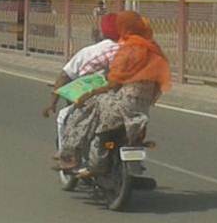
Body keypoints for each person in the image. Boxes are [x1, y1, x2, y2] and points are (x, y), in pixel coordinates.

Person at [57, 11, 171, 173]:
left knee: (85, 107)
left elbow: (113, 84)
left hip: (122, 106)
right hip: (142, 108)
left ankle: (70, 155)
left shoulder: (129, 50)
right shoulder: (154, 49)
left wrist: (89, 94)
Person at [42, 13, 121, 152]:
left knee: (66, 118)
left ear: (103, 31)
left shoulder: (90, 52)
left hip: (93, 100)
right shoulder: (133, 49)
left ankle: (68, 155)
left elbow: (64, 76)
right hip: (125, 102)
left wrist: (52, 103)